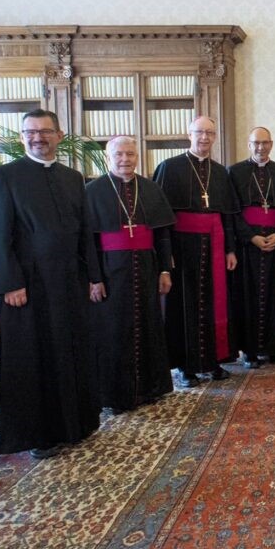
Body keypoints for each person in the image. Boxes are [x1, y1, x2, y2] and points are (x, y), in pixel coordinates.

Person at [0, 109, 103, 458]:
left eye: (45, 131)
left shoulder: (73, 177)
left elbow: (86, 234)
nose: (37, 137)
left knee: (70, 353)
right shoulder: (4, 177)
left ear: (59, 135)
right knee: (36, 358)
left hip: (69, 282)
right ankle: (40, 436)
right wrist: (9, 285)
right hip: (29, 289)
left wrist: (93, 277)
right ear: (22, 138)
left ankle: (76, 425)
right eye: (30, 132)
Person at [86, 136, 175, 412]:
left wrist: (164, 270)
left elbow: (162, 234)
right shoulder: (92, 191)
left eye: (130, 154)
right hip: (111, 271)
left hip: (147, 268)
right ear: (108, 157)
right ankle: (115, 396)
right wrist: (94, 278)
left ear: (138, 157)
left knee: (149, 325)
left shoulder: (149, 188)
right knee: (113, 331)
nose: (125, 159)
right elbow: (87, 241)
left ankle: (151, 388)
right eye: (119, 154)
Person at [154, 116, 240, 387]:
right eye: (200, 132)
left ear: (215, 137)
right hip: (182, 247)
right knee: (183, 305)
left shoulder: (220, 171)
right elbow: (162, 218)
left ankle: (212, 361)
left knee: (214, 304)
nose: (204, 138)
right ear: (189, 134)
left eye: (210, 133)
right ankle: (185, 367)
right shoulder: (169, 167)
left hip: (214, 245)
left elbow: (227, 216)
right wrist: (165, 255)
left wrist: (230, 250)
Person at [228, 127, 275, 368]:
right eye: (256, 143)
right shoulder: (235, 173)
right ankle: (249, 351)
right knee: (247, 297)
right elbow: (232, 212)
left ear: (272, 144)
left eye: (265, 143)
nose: (261, 147)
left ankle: (274, 347)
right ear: (249, 145)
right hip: (248, 247)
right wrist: (251, 237)